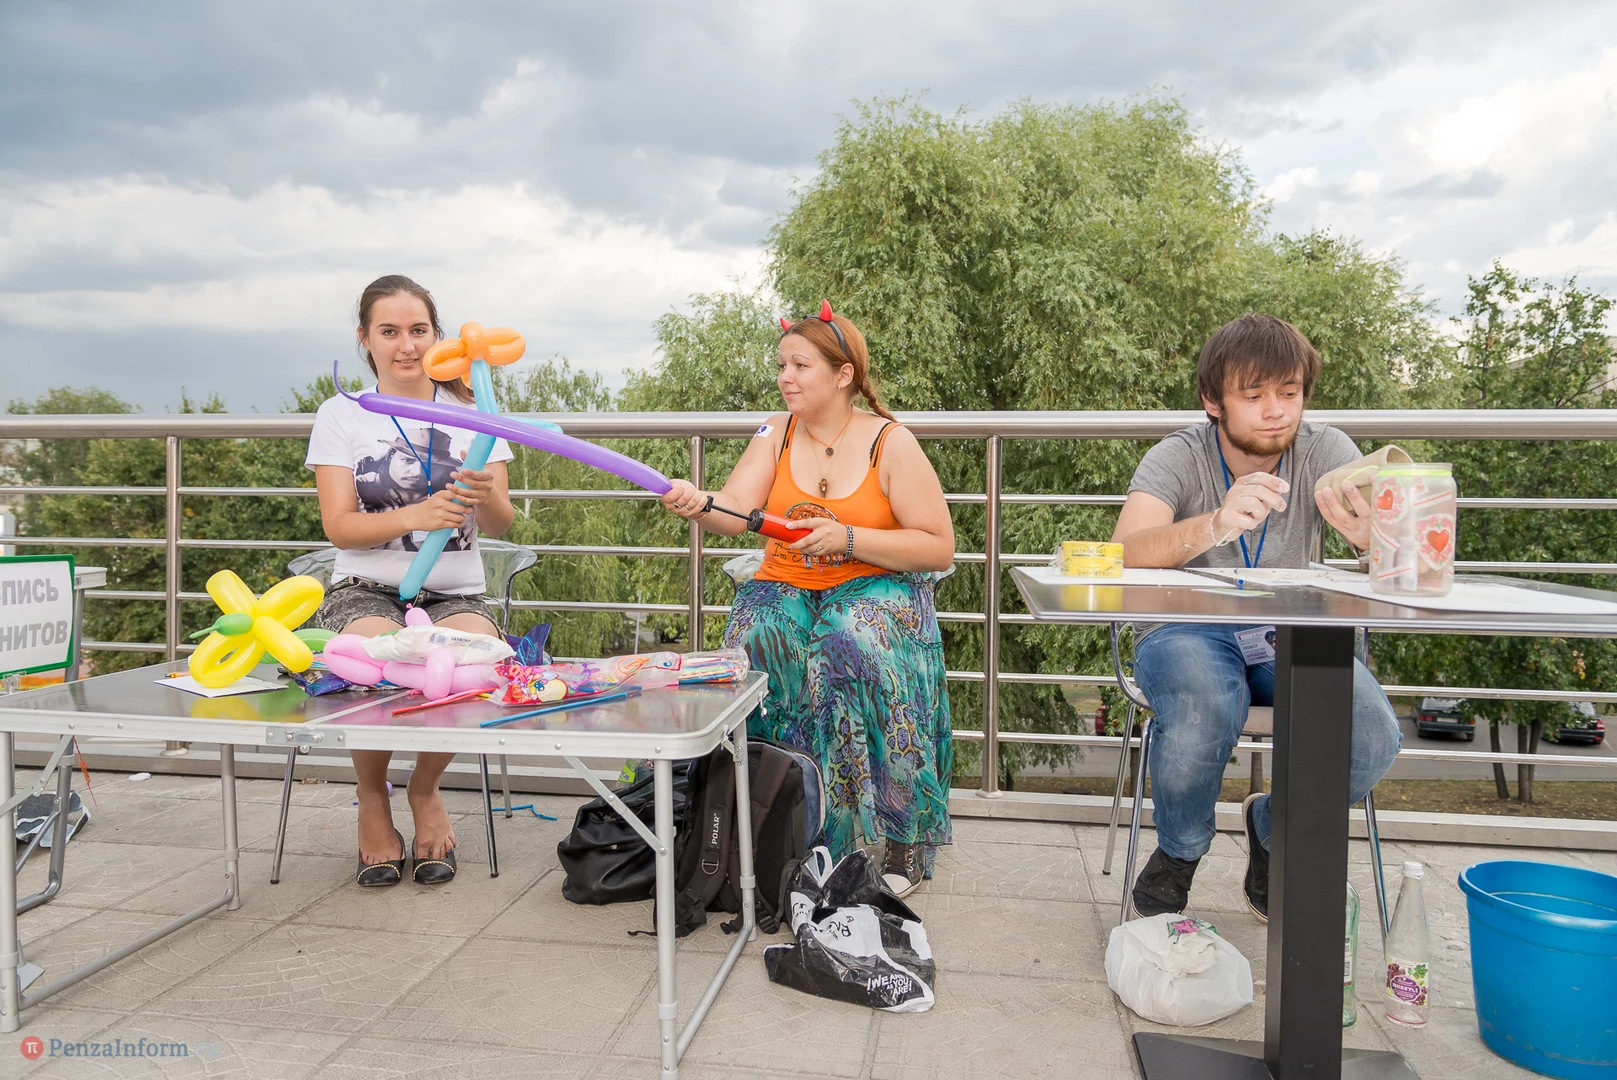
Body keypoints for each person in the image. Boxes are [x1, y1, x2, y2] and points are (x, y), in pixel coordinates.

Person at [1110, 313, 1402, 921]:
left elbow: (1397, 565)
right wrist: (1214, 524)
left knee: (1372, 734)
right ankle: (1180, 852)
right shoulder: (1178, 456)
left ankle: (1271, 826)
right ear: (1212, 401)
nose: (1276, 411)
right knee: (1205, 703)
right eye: (1254, 396)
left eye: (1289, 393)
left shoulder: (1326, 450)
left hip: (1288, 630)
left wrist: (1372, 544)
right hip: (1184, 625)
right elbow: (1125, 551)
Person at [661, 302, 955, 898]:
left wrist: (849, 539)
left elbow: (937, 545)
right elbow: (736, 512)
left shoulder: (890, 442)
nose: (785, 377)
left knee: (848, 635)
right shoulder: (776, 431)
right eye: (782, 365)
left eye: (800, 365)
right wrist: (699, 503)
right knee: (760, 633)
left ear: (843, 375)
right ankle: (784, 820)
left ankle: (902, 834)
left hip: (874, 582)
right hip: (787, 580)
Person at [306, 274, 517, 887]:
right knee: (371, 658)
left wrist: (485, 495)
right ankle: (373, 797)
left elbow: (500, 522)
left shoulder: (476, 414)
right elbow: (340, 527)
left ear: (439, 337)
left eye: (419, 330)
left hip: (456, 591)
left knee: (468, 660)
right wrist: (416, 516)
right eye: (390, 331)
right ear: (365, 339)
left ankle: (425, 788)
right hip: (364, 587)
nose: (406, 345)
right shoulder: (341, 414)